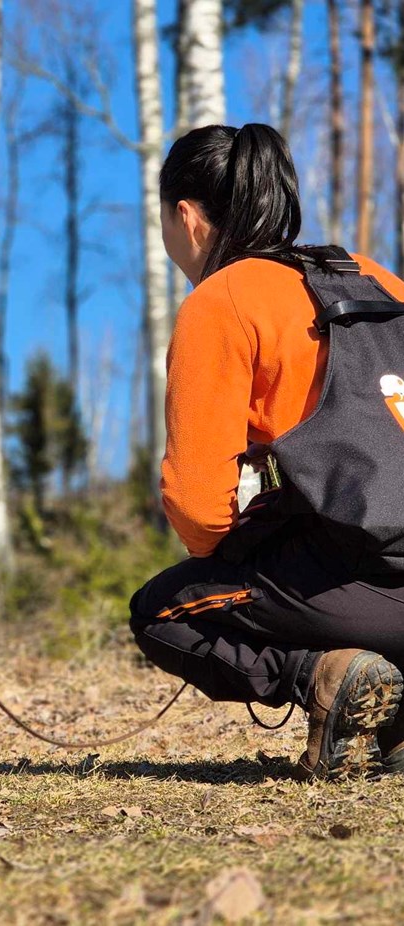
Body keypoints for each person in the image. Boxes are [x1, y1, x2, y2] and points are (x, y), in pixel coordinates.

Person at [129, 123, 404, 781]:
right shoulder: (376, 278)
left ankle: (328, 677)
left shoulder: (223, 302)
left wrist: (243, 538)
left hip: (369, 574)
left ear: (186, 217)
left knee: (163, 610)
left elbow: (198, 510)